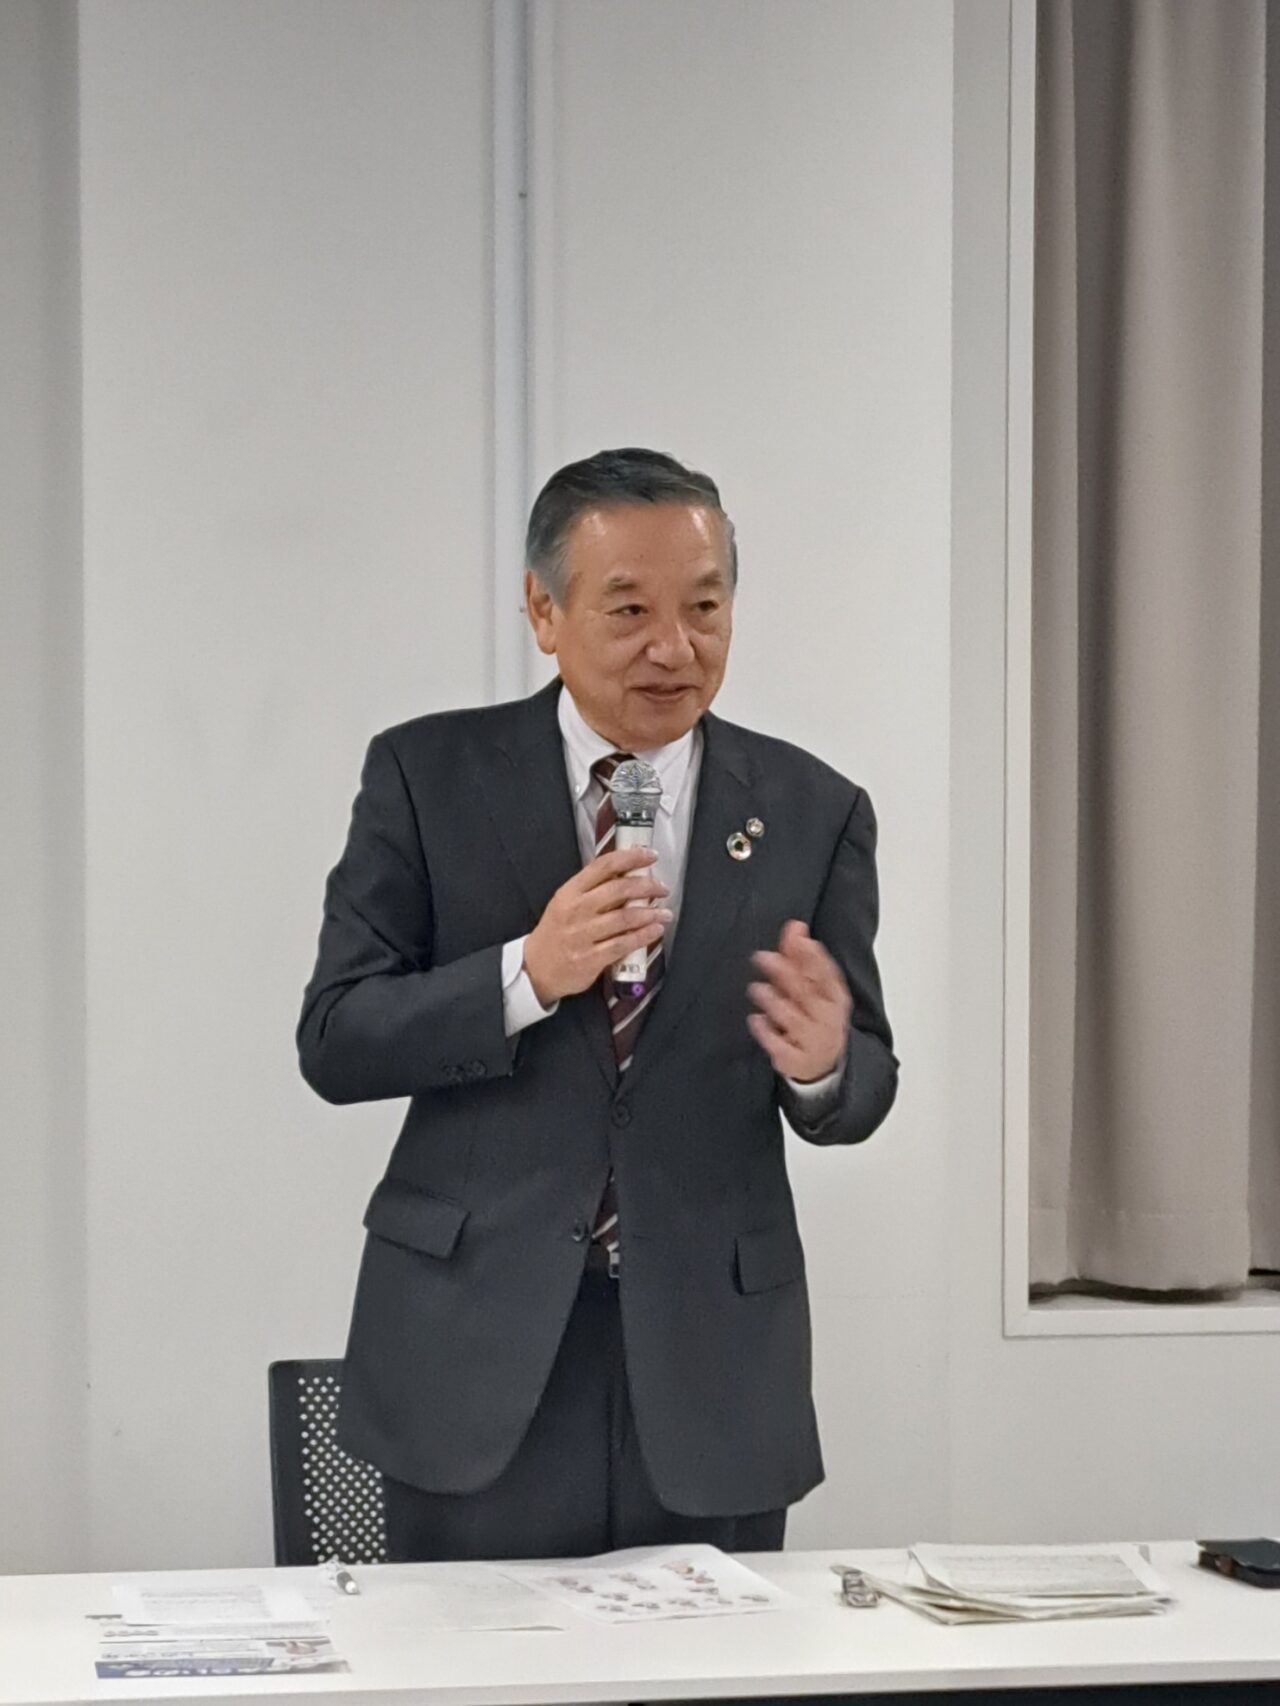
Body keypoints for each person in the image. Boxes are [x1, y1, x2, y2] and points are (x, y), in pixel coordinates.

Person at [297, 447, 898, 1561]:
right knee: (470, 1655)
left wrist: (823, 1064)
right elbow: (336, 1038)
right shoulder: (427, 778)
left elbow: (861, 1083)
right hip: (473, 1352)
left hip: (711, 1361)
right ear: (543, 611)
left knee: (716, 1653)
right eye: (629, 610)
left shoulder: (815, 809)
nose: (674, 647)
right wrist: (524, 974)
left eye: (704, 607)